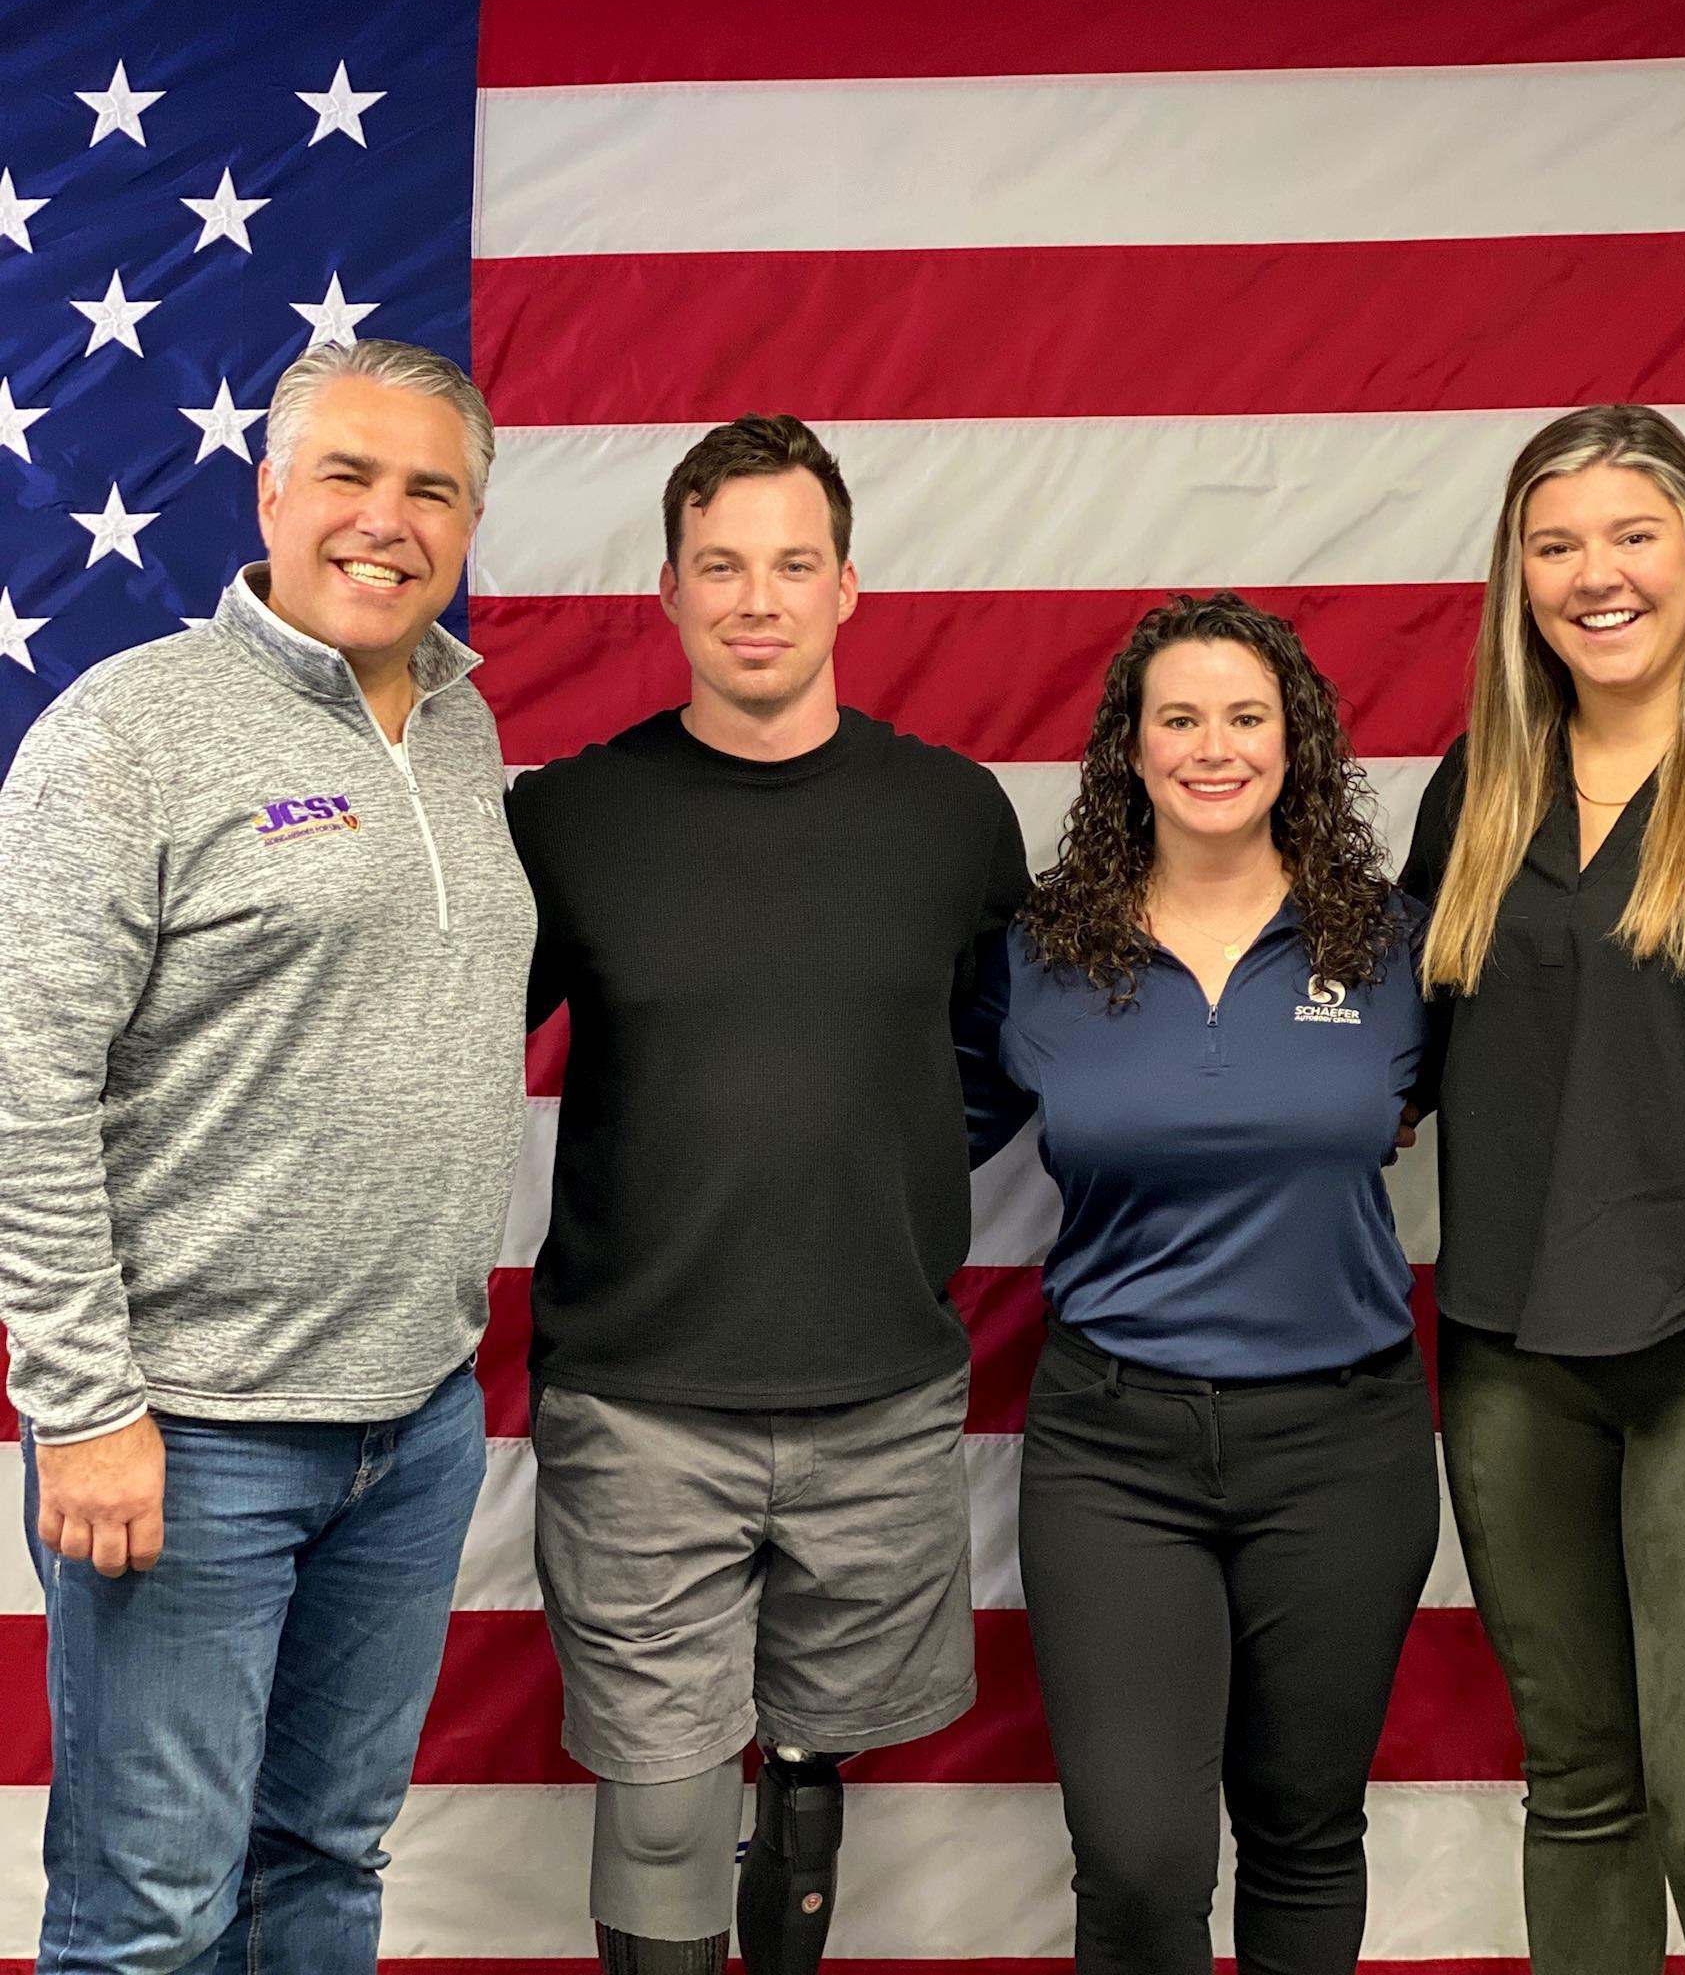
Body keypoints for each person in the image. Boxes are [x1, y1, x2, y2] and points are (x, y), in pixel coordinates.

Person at [0, 338, 534, 1972]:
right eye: (352, 478)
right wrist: (82, 1405)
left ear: (469, 518)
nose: (388, 521)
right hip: (194, 1432)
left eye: (431, 489)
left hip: (414, 1426)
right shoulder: (133, 732)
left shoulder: (460, 727)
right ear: (274, 492)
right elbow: (28, 1087)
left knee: (325, 1862)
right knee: (151, 1907)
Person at [504, 413, 1029, 1975]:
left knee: (812, 1772)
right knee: (664, 1803)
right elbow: (451, 1068)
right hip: (642, 1398)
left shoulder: (952, 816)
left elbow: (1005, 1060)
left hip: (879, 1392)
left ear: (848, 587)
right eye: (720, 564)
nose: (757, 597)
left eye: (792, 563)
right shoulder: (565, 822)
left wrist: (882, 1164)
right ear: (664, 590)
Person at [1401, 402, 1685, 1974]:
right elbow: (1386, 1056)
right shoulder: (1481, 790)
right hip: (1514, 1366)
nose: (1596, 575)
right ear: (1519, 578)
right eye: (1555, 543)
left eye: (1631, 534)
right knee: (1583, 1795)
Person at [960, 593, 1438, 1975]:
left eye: (1246, 716)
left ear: (1298, 745)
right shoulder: (1039, 955)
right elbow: (909, 1145)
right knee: (1138, 1859)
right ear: (1131, 747)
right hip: (1117, 1451)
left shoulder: (1393, 949)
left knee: (1301, 1828)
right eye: (1180, 718)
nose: (1213, 747)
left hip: (1343, 1445)